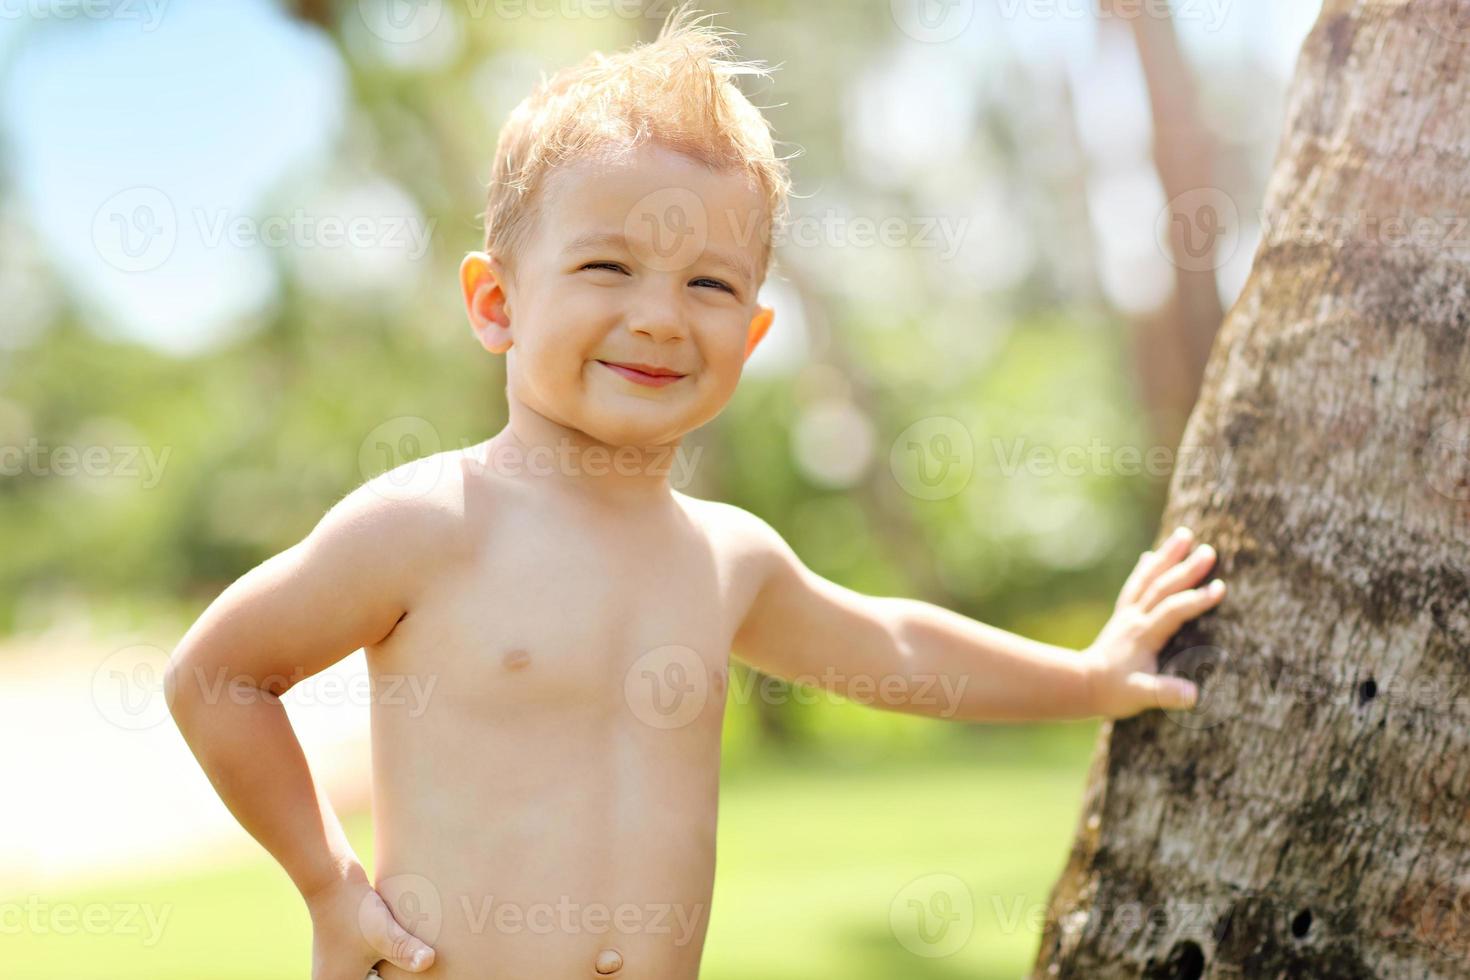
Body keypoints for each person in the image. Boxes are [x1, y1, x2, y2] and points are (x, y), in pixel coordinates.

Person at [164, 5, 1226, 977]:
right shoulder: (429, 525)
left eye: (709, 284)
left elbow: (895, 649)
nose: (663, 317)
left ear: (754, 333)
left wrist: (1089, 677)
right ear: (497, 301)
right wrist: (328, 884)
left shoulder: (727, 560)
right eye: (607, 268)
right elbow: (217, 674)